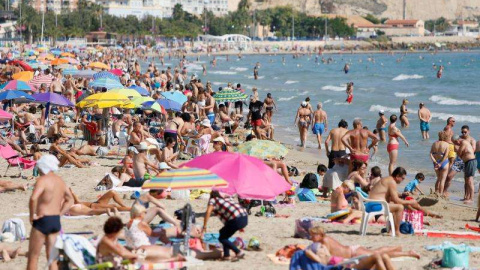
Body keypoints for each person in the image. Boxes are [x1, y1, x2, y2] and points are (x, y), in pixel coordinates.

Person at [27, 154, 74, 270]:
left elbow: (33, 198)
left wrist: (32, 215)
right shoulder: (60, 181)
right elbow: (70, 200)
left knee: (33, 257)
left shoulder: (42, 180)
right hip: (55, 220)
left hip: (43, 219)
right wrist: (60, 213)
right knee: (52, 258)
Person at [369, 167, 441, 236]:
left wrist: (402, 195)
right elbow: (396, 200)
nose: (402, 180)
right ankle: (397, 232)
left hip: (372, 204)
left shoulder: (388, 179)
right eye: (402, 178)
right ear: (397, 176)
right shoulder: (392, 182)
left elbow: (391, 195)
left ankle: (391, 230)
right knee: (399, 207)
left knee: (398, 206)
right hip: (376, 205)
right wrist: (410, 202)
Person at [305, 226, 420, 268]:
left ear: (319, 235)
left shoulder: (324, 241)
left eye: (313, 235)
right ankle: (396, 248)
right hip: (353, 250)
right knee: (377, 252)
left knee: (377, 253)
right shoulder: (325, 239)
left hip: (353, 254)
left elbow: (327, 257)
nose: (311, 238)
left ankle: (407, 253)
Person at [203, 190, 247, 262]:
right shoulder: (226, 199)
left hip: (237, 219)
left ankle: (238, 252)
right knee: (223, 233)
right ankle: (226, 255)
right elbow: (233, 210)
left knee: (222, 238)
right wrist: (240, 226)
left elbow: (208, 212)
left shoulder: (213, 200)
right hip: (244, 217)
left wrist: (204, 226)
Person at [452, 135, 477, 204]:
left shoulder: (463, 142)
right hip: (467, 162)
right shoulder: (463, 143)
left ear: (457, 140)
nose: (455, 144)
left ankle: (471, 199)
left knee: (470, 180)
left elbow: (459, 153)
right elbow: (460, 154)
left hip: (471, 161)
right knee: (467, 180)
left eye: (454, 143)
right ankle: (467, 197)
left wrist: (457, 150)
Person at [430, 131, 450, 196]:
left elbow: (431, 154)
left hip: (436, 162)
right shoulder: (446, 144)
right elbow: (446, 155)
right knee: (442, 180)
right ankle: (441, 194)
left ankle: (436, 193)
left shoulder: (434, 144)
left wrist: (435, 162)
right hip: (444, 163)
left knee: (438, 179)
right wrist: (441, 163)